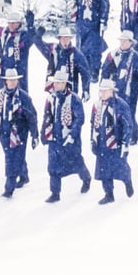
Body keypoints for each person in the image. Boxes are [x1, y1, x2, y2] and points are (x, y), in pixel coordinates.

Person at [29, 0, 110, 81]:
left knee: (94, 47)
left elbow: (105, 2)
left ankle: (94, 71)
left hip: (94, 20)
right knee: (81, 46)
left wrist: (104, 19)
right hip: (80, 20)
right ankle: (84, 70)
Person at [40, 69, 92, 202]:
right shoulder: (51, 99)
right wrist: (44, 133)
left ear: (64, 84)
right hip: (54, 138)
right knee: (52, 166)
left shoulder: (74, 99)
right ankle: (55, 193)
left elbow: (79, 119)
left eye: (58, 83)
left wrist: (72, 135)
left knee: (76, 162)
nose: (55, 85)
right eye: (55, 83)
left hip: (69, 138)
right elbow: (47, 117)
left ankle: (86, 178)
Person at [0, 68, 38, 198]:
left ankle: (9, 188)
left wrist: (34, 134)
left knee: (12, 160)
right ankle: (24, 174)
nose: (12, 82)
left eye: (14, 80)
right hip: (4, 132)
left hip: (20, 133)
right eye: (10, 80)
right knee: (13, 156)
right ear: (5, 81)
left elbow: (32, 116)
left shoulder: (23, 97)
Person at [100, 29, 138, 144]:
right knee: (116, 112)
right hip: (115, 89)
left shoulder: (136, 58)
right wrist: (103, 87)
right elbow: (105, 71)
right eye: (121, 41)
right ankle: (128, 132)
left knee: (129, 112)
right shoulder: (113, 54)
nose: (122, 43)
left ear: (131, 43)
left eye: (125, 41)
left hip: (130, 91)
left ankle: (132, 135)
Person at [90, 78, 134, 205]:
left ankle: (127, 181)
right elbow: (93, 124)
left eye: (105, 91)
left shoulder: (120, 105)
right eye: (101, 91)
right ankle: (108, 194)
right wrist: (93, 141)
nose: (102, 94)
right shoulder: (97, 106)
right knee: (104, 171)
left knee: (121, 167)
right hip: (102, 143)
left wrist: (125, 142)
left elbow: (127, 125)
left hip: (116, 143)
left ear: (111, 91)